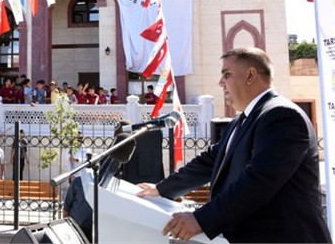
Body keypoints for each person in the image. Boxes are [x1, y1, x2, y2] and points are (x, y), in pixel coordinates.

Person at [137, 47, 331, 243]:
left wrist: (201, 220)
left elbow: (258, 181)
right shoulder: (243, 120)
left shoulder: (281, 116)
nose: (221, 82)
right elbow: (211, 161)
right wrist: (162, 189)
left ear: (250, 75)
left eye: (227, 74)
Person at [63, 176, 92, 242]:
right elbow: (67, 203)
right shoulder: (78, 181)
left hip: (90, 229)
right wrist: (65, 223)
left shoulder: (103, 185)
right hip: (74, 226)